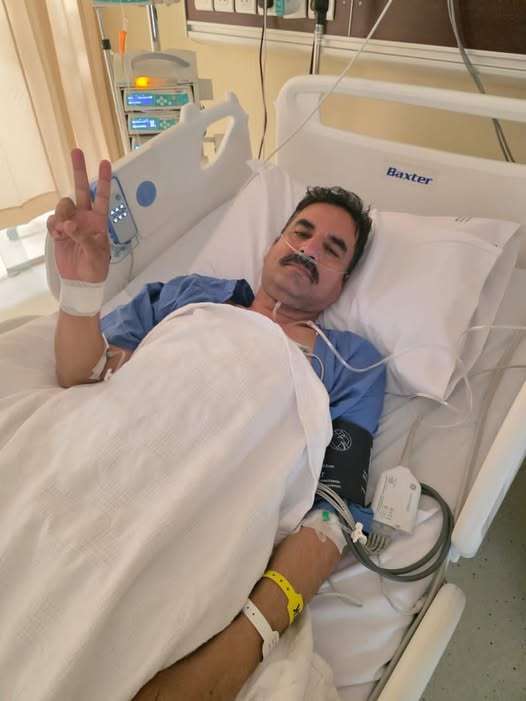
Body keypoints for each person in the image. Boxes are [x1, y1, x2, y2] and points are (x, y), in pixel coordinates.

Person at [48, 149, 385, 701]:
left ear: (343, 283)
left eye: (332, 249)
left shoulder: (351, 363)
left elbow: (335, 512)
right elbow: (80, 374)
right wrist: (80, 292)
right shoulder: (191, 294)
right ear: (271, 245)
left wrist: (243, 644)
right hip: (92, 463)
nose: (308, 249)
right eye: (300, 232)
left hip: (199, 513)